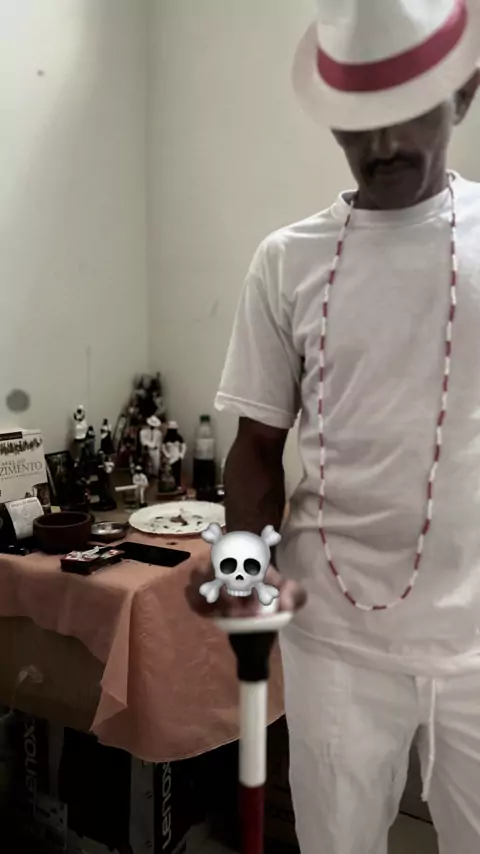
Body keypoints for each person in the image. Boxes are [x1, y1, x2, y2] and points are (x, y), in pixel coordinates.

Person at [190, 1, 480, 852]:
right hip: (337, 643)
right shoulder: (288, 259)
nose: (381, 144)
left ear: (464, 94)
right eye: (357, 121)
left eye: (406, 114)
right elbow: (256, 448)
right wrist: (245, 573)